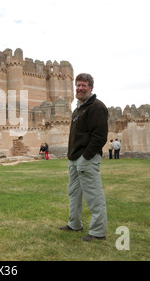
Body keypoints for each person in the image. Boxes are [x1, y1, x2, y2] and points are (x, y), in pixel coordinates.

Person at [59, 73, 108, 242]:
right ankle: (74, 224)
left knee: (94, 196)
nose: (80, 88)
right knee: (74, 194)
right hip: (74, 159)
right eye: (78, 85)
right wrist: (72, 157)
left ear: (91, 88)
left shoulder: (96, 107)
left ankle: (98, 232)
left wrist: (85, 157)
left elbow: (100, 137)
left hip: (86, 159)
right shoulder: (78, 109)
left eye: (84, 85)